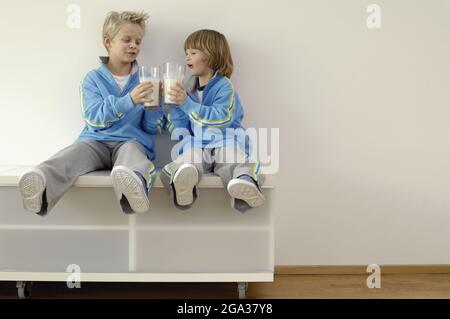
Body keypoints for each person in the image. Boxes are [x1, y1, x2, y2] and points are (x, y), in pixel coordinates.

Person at [18, 11, 165, 216]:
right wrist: (129, 100)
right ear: (108, 41)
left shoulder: (146, 79)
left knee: (132, 154)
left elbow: (153, 128)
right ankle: (41, 188)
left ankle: (132, 190)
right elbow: (94, 118)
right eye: (127, 40)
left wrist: (155, 105)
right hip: (95, 140)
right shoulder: (92, 79)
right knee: (73, 154)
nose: (134, 45)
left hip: (130, 141)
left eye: (138, 41)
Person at [161, 29, 265, 213]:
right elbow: (180, 126)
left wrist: (186, 103)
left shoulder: (224, 86)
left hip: (225, 140)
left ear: (211, 57)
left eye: (193, 53)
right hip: (198, 144)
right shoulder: (188, 89)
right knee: (189, 156)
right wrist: (173, 106)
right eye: (186, 53)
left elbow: (221, 117)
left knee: (231, 157)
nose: (187, 58)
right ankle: (184, 181)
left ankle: (245, 183)